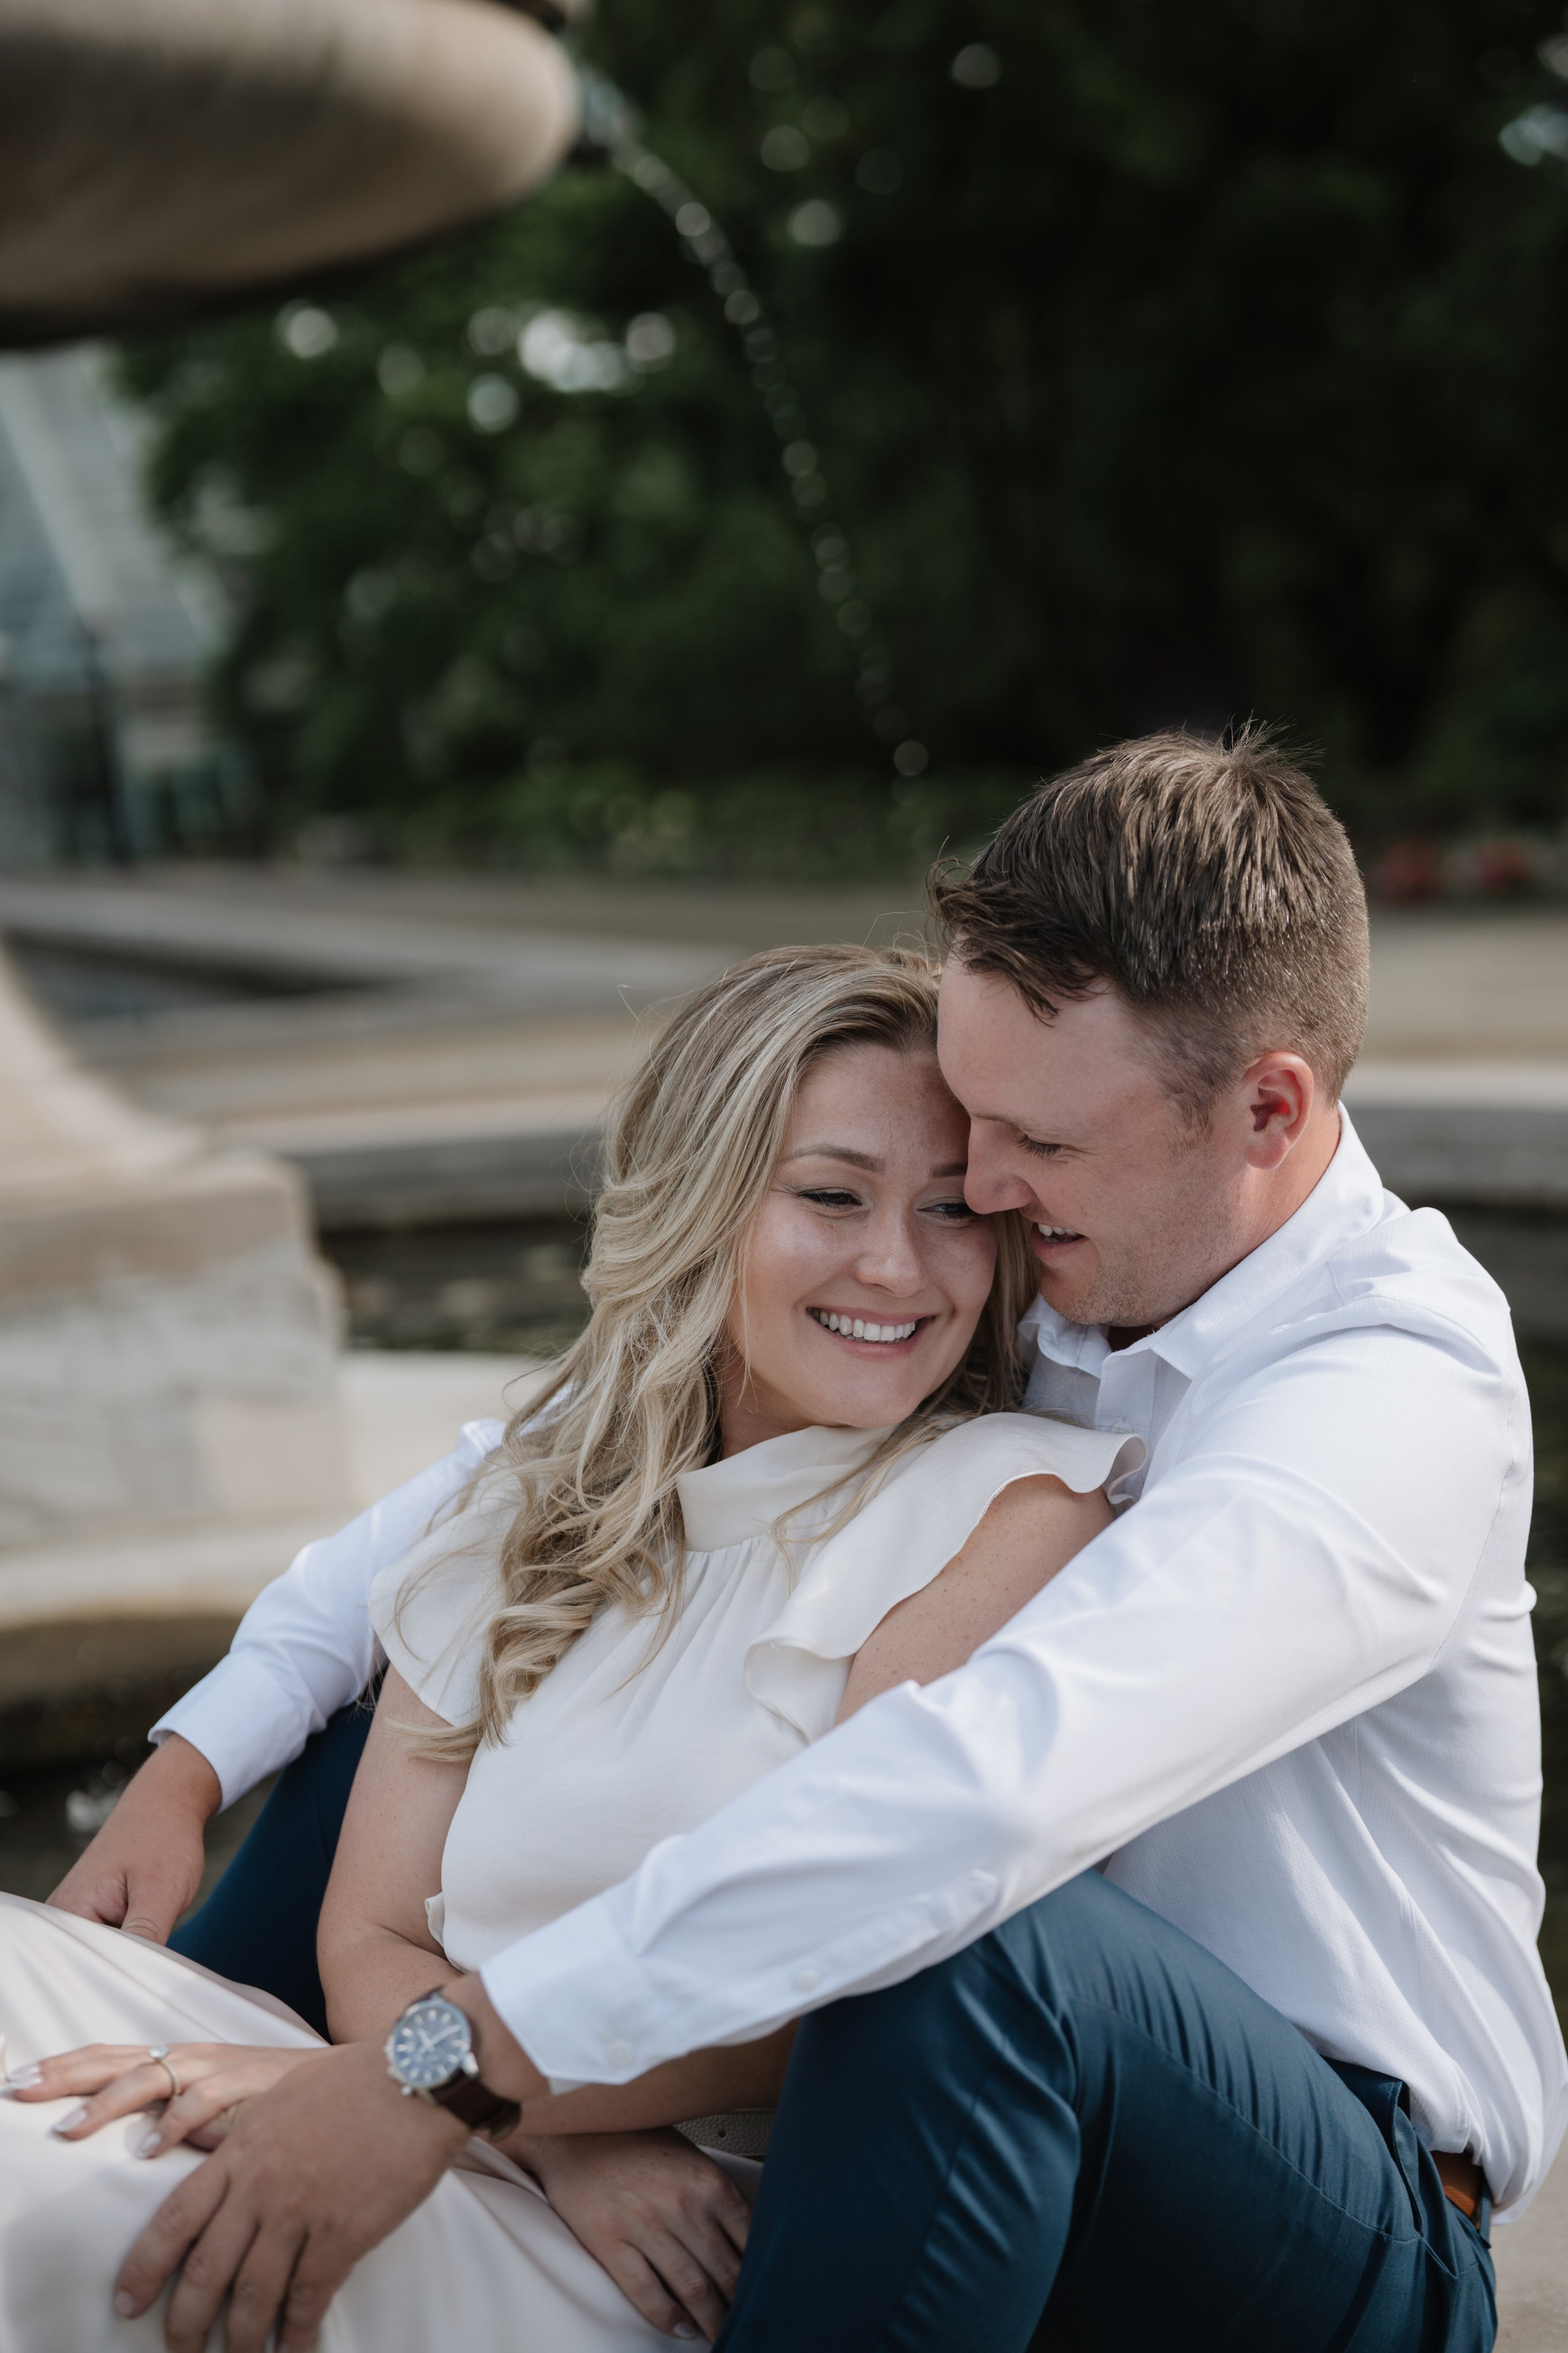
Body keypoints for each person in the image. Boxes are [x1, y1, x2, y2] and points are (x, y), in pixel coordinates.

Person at [36, 728, 1568, 2353]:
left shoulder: (1385, 1405)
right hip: (989, 2109)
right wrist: (193, 1761)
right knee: (442, 1705)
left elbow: (970, 1794)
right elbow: (500, 1492)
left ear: (1264, 1110)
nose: (979, 1189)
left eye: (1035, 1142)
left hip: (1323, 2206)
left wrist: (445, 2078)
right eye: (974, 1121)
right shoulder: (1071, 1252)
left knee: (976, 1937)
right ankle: (152, 2130)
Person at [0, 943, 1131, 2349]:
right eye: (831, 1194)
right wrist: (525, 2128)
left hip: (658, 2232)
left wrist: (438, 2101)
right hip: (466, 2122)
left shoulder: (1007, 1511)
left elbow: (857, 1976)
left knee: (63, 2198)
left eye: (951, 1208)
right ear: (705, 1203)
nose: (895, 1264)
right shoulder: (531, 1500)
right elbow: (370, 1934)